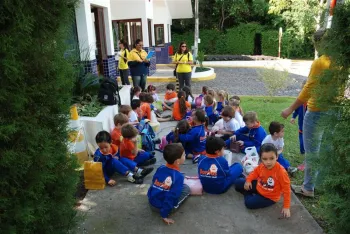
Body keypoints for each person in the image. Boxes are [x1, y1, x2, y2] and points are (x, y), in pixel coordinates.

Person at [281, 29, 331, 197]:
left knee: (312, 151)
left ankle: (308, 188)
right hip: (334, 111)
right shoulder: (342, 60)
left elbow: (308, 88)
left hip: (317, 111)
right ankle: (322, 184)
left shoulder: (321, 62)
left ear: (318, 43)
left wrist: (290, 109)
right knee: (326, 149)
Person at [234, 143, 291, 218]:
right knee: (237, 183)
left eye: (271, 158)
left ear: (277, 157)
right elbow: (254, 173)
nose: (268, 162)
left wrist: (286, 207)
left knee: (249, 203)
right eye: (265, 159)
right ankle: (249, 191)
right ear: (260, 159)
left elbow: (287, 190)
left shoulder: (281, 172)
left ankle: (246, 193)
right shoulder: (262, 166)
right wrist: (248, 180)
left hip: (269, 197)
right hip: (259, 186)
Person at [148, 143, 190, 225]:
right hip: (160, 208)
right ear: (177, 161)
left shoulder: (161, 167)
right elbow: (171, 196)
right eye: (184, 155)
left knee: (166, 186)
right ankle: (169, 209)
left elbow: (153, 182)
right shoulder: (178, 176)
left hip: (151, 201)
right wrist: (164, 215)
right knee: (187, 189)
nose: (185, 156)